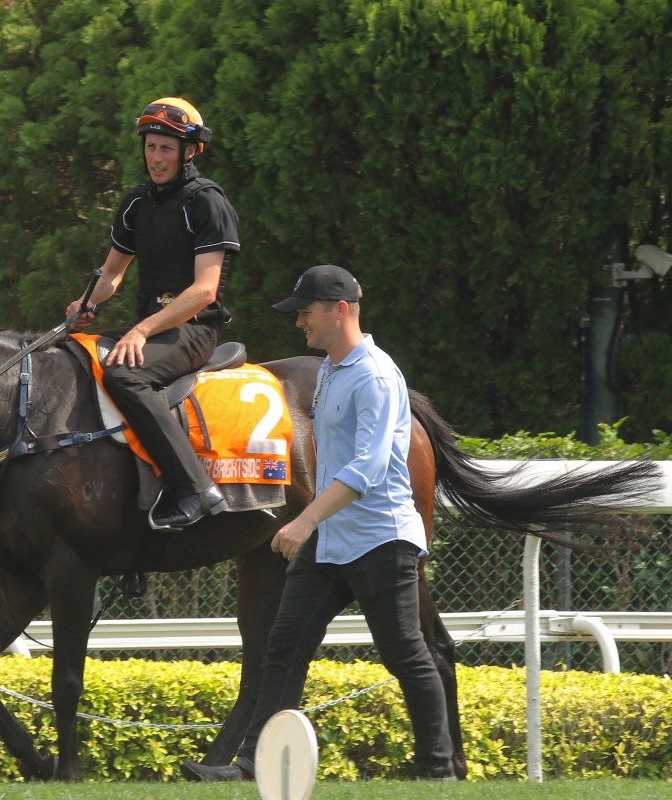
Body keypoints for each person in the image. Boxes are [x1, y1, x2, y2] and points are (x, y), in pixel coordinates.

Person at [181, 264, 456, 781]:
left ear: (340, 310)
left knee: (405, 655)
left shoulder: (374, 375)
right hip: (332, 542)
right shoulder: (330, 367)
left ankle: (438, 771)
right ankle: (252, 764)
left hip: (379, 539)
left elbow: (369, 467)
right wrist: (316, 528)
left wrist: (304, 521)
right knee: (284, 646)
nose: (299, 322)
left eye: (306, 312)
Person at [66, 97, 240, 530]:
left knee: (125, 375)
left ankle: (195, 490)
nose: (156, 158)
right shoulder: (136, 203)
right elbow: (111, 274)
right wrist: (87, 302)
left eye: (166, 148)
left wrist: (141, 330)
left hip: (195, 330)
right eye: (150, 147)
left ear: (189, 151)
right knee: (72, 354)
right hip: (153, 328)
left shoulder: (207, 202)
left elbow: (203, 291)